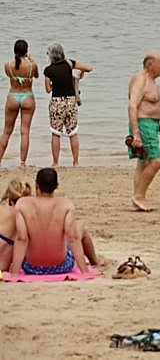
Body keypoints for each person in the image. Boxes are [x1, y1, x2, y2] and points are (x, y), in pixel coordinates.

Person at [9, 168, 87, 275]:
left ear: (36, 185)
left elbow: (22, 238)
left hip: (31, 267)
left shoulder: (23, 204)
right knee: (80, 226)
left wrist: (14, 272)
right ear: (57, 186)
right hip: (61, 266)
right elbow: (73, 238)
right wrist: (85, 271)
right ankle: (95, 261)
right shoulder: (66, 204)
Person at [128, 51, 160, 211]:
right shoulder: (140, 79)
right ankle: (139, 196)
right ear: (150, 64)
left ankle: (137, 199)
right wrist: (136, 133)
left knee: (143, 163)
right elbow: (132, 106)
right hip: (143, 125)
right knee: (157, 161)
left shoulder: (151, 81)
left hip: (151, 125)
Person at [44, 43, 91, 167]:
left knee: (56, 133)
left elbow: (48, 89)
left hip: (57, 102)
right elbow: (89, 68)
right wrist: (80, 73)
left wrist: (55, 85)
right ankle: (76, 162)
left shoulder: (48, 70)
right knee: (73, 132)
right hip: (70, 101)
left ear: (51, 55)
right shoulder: (70, 63)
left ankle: (55, 163)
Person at [1, 39, 39, 167]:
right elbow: (36, 75)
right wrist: (31, 60)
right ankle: (22, 163)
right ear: (26, 51)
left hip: (13, 96)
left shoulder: (8, 65)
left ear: (14, 51)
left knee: (6, 131)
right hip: (27, 97)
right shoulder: (32, 66)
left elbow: (9, 75)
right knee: (25, 131)